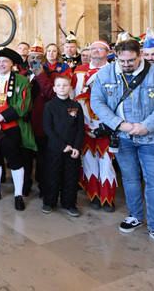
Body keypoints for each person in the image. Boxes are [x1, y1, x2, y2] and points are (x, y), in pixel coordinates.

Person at [91, 39, 154, 249]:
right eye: (121, 60)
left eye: (131, 60)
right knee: (130, 178)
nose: (126, 65)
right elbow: (97, 101)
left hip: (152, 137)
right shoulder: (105, 74)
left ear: (140, 54)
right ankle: (135, 215)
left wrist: (146, 126)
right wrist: (120, 124)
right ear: (115, 54)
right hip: (123, 138)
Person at [0, 48, 36, 211]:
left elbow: (23, 105)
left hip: (11, 127)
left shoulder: (22, 81)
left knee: (15, 161)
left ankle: (18, 195)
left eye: (4, 61)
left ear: (12, 64)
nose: (1, 64)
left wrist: (2, 117)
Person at [72, 40, 116, 212]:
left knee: (106, 163)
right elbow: (73, 96)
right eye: (94, 49)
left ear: (108, 52)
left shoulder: (115, 70)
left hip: (107, 126)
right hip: (85, 126)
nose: (96, 51)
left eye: (100, 49)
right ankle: (94, 197)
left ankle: (108, 198)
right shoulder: (79, 71)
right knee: (89, 163)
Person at [18, 36, 57, 198]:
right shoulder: (22, 75)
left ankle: (43, 185)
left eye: (38, 58)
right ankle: (25, 184)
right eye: (31, 57)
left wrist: (41, 75)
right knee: (24, 156)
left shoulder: (52, 75)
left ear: (44, 60)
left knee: (42, 157)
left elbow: (51, 95)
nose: (34, 60)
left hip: (42, 124)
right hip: (24, 124)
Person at [42, 75, 85, 216]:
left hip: (73, 150)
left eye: (65, 85)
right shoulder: (49, 106)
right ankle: (49, 202)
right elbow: (48, 129)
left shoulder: (76, 106)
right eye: (59, 85)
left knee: (71, 177)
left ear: (70, 88)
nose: (62, 88)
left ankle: (69, 203)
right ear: (54, 88)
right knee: (52, 176)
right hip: (55, 149)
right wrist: (62, 146)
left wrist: (76, 147)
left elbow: (80, 129)